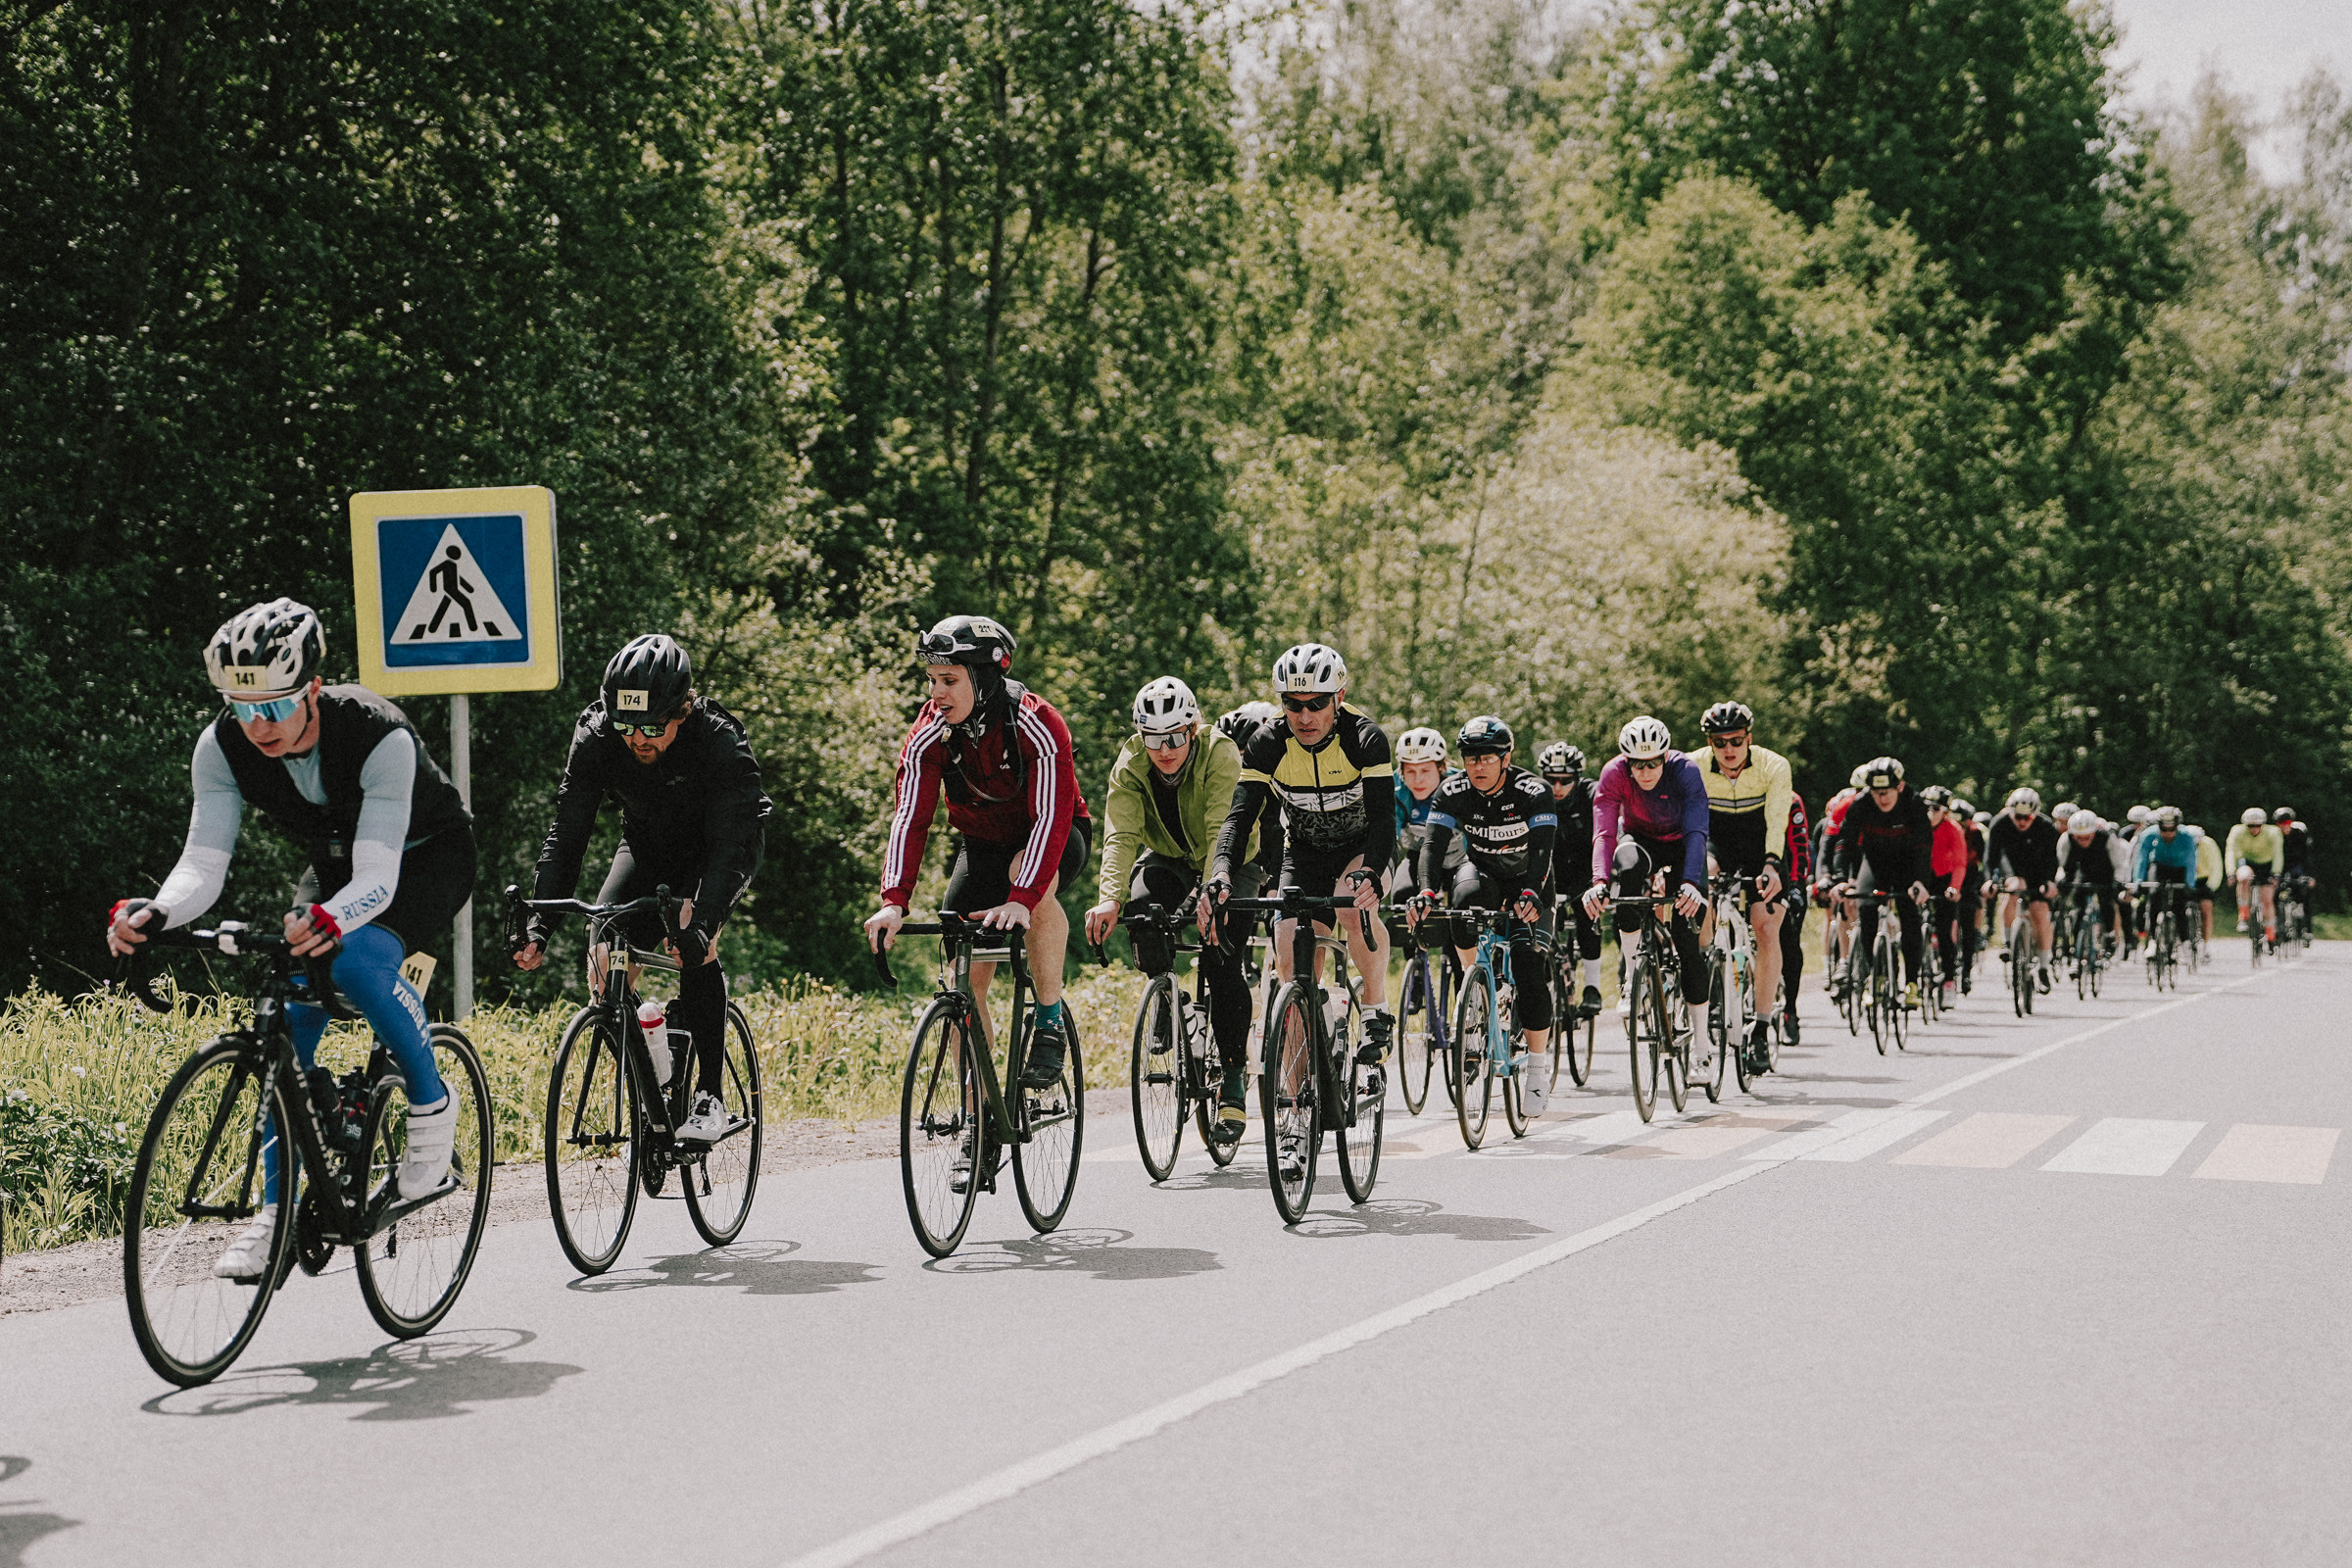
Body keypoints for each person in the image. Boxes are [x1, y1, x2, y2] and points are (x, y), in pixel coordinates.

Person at [107, 599, 476, 1278]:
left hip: (423, 858)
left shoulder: (376, 735)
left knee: (360, 964)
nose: (259, 727)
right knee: (289, 1009)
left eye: (274, 708)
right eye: (243, 709)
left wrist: (336, 920)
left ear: (311, 690)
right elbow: (204, 862)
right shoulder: (221, 746)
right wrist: (156, 913)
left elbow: (377, 876)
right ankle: (274, 1216)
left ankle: (431, 1109)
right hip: (337, 862)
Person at [518, 634, 771, 1143]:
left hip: (719, 848)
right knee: (602, 950)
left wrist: (701, 923)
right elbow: (568, 833)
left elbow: (730, 847)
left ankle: (709, 1096)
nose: (638, 739)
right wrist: (539, 922)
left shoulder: (717, 740)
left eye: (654, 727)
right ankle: (657, 1064)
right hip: (647, 846)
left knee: (689, 939)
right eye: (626, 725)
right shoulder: (596, 736)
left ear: (683, 710)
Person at [865, 614, 1092, 1151]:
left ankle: (1050, 1019)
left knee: (1029, 885)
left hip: (1056, 834)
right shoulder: (929, 733)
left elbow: (1052, 816)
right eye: (932, 680)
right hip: (981, 848)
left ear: (985, 677)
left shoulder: (1037, 720)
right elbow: (909, 818)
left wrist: (1022, 898)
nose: (937, 693)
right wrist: (894, 902)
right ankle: (979, 1118)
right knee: (964, 983)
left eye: (950, 680)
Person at [1204, 642, 1396, 1174]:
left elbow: (1384, 820)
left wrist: (1374, 874)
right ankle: (1292, 1118)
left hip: (1362, 847)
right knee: (1289, 964)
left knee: (1354, 905)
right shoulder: (1268, 742)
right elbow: (1240, 816)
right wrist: (1221, 869)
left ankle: (1377, 1011)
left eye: (1316, 703)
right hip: (1304, 852)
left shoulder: (1365, 739)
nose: (1305, 715)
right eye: (1293, 703)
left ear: (1339, 697)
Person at [1084, 677, 1261, 1145]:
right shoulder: (1131, 764)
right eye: (1153, 739)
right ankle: (1168, 998)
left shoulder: (1221, 753)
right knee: (1142, 912)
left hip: (1231, 858)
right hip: (1168, 855)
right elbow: (1121, 834)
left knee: (1220, 953)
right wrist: (1109, 898)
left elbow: (1221, 830)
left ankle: (1235, 1080)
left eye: (1176, 737)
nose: (1165, 750)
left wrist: (1209, 894)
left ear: (1194, 728)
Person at [1403, 717, 1558, 1110]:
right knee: (1463, 902)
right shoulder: (1451, 791)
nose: (1477, 766)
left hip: (1531, 879)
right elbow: (1433, 848)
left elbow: (1543, 850)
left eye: (1487, 758)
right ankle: (1477, 996)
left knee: (1527, 966)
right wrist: (1425, 890)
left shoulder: (1533, 791)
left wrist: (1531, 893)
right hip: (1485, 873)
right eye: (1470, 758)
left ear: (1506, 758)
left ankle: (1537, 1069)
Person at [1582, 716, 1715, 1069]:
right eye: (1637, 764)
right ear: (1626, 761)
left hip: (1683, 843)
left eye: (1653, 762)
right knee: (1626, 879)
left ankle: (1701, 1049)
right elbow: (1605, 834)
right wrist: (1598, 882)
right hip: (1640, 841)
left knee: (1688, 946)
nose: (1645, 771)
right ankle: (1630, 977)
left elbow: (1698, 830)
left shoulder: (1685, 769)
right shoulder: (1613, 774)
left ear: (1665, 756)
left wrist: (1689, 882)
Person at [1694, 701, 1791, 1071]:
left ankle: (1763, 1027)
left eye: (1736, 740)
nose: (1729, 749)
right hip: (1716, 843)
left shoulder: (1773, 765)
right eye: (1719, 742)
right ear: (1710, 743)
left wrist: (1771, 864)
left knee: (1766, 928)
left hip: (1760, 844)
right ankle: (1706, 966)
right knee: (1699, 882)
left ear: (1749, 738)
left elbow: (1777, 818)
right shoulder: (1693, 765)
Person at [1832, 758, 1934, 1010]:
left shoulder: (1914, 803)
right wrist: (1840, 879)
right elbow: (1844, 842)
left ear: (1899, 787)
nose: (1882, 799)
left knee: (1909, 914)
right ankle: (1873, 980)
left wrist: (1920, 881)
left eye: (1886, 792)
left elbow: (1924, 845)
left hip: (1908, 864)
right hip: (1875, 862)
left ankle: (1911, 983)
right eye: (1876, 793)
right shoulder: (1861, 804)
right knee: (1865, 909)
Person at [1539, 742, 1603, 1019]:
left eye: (1565, 781)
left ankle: (1592, 987)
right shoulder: (1537, 796)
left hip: (1584, 869)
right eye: (1551, 779)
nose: (1557, 787)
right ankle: (1546, 989)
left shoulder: (1591, 794)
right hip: (1551, 870)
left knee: (1586, 911)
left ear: (1577, 779)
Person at [1986, 788, 2061, 991]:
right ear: (2010, 812)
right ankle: (2008, 941)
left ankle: (2044, 966)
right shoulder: (1999, 824)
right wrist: (1989, 881)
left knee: (2039, 911)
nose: (2022, 822)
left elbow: (2052, 860)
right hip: (2011, 869)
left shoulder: (2046, 827)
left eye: (2027, 817)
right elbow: (1991, 857)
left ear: (2035, 814)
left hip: (2038, 872)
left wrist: (2049, 881)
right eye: (2017, 817)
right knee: (2015, 888)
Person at [1389, 727, 1461, 902]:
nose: (1418, 779)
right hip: (1419, 856)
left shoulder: (1461, 786)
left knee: (1464, 900)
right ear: (1401, 772)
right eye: (1410, 771)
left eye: (1426, 770)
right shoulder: (1395, 790)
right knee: (1401, 895)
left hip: (1461, 859)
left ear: (1441, 768)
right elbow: (1388, 839)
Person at [2055, 809, 2130, 957]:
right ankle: (2075, 945)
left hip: (2105, 871)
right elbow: (2062, 864)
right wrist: (2061, 880)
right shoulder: (2066, 839)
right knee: (2079, 907)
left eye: (2087, 837)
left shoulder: (2107, 838)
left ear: (2094, 833)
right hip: (2081, 871)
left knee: (2106, 900)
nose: (2083, 841)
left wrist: (2118, 882)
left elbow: (2119, 864)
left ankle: (2109, 935)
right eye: (2079, 838)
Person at [1921, 786, 1967, 997]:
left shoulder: (1953, 829)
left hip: (1943, 879)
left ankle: (1949, 979)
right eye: (1926, 807)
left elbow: (1959, 862)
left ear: (1945, 812)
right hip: (1920, 877)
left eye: (1935, 808)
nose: (1930, 812)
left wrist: (1954, 887)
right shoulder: (1916, 827)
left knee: (1945, 930)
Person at [2131, 806, 2199, 947]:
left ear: (2177, 826)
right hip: (2159, 866)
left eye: (2172, 829)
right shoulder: (2148, 835)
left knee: (2179, 904)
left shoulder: (2186, 836)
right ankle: (2153, 941)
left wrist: (2190, 884)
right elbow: (2142, 860)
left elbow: (2191, 861)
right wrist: (2137, 882)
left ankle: (2185, 941)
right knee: (2154, 896)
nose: (2168, 833)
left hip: (2180, 868)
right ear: (2158, 826)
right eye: (2164, 829)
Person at [1778, 785, 1813, 1046]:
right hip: (1751, 873)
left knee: (1789, 944)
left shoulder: (1790, 799)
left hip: (1788, 877)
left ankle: (1790, 1010)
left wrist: (1796, 886)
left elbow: (1799, 848)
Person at [2225, 806, 2283, 944]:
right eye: (2250, 826)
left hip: (2266, 865)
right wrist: (2231, 873)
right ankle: (2243, 916)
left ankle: (2270, 935)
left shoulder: (2273, 832)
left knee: (2267, 901)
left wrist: (2276, 873)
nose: (2254, 829)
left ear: (2263, 824)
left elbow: (2278, 854)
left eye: (2258, 826)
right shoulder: (2237, 831)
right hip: (2247, 862)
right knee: (2244, 877)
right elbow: (2230, 852)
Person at [2190, 819, 2226, 942]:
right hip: (2186, 879)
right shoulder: (2180, 844)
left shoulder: (2209, 844)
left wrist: (2211, 886)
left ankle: (2205, 943)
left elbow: (2216, 866)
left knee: (2205, 909)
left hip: (2204, 880)